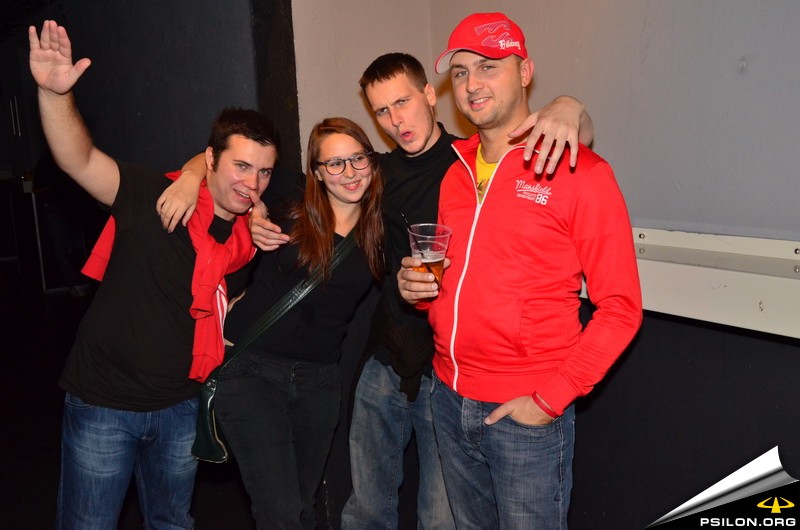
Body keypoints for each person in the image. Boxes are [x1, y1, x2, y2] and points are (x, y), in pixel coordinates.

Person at [157, 56, 593, 530]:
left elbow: (563, 145)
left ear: (431, 94)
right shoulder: (372, 174)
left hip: (446, 372)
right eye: (382, 110)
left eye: (402, 102)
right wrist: (190, 179)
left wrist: (570, 106)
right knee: (363, 508)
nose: (396, 119)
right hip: (381, 362)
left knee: (441, 517)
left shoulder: (470, 163)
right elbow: (235, 168)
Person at [398, 12, 642, 529]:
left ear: (525, 72)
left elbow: (621, 309)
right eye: (460, 72)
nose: (471, 84)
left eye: (488, 66)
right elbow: (454, 283)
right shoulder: (454, 173)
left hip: (526, 412)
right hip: (448, 396)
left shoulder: (581, 171)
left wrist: (548, 401)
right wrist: (418, 291)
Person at [29, 21, 278, 529]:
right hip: (104, 404)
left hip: (181, 408)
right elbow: (79, 159)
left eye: (264, 171)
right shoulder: (150, 195)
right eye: (241, 166)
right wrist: (55, 95)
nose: (252, 182)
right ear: (210, 159)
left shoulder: (248, 241)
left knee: (172, 523)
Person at [171, 117, 384, 528]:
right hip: (253, 369)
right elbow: (221, 161)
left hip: (320, 381)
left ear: (372, 162)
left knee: (302, 506)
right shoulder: (289, 199)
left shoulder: (380, 228)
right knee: (279, 512)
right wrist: (188, 180)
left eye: (358, 159)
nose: (349, 172)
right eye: (334, 163)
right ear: (316, 172)